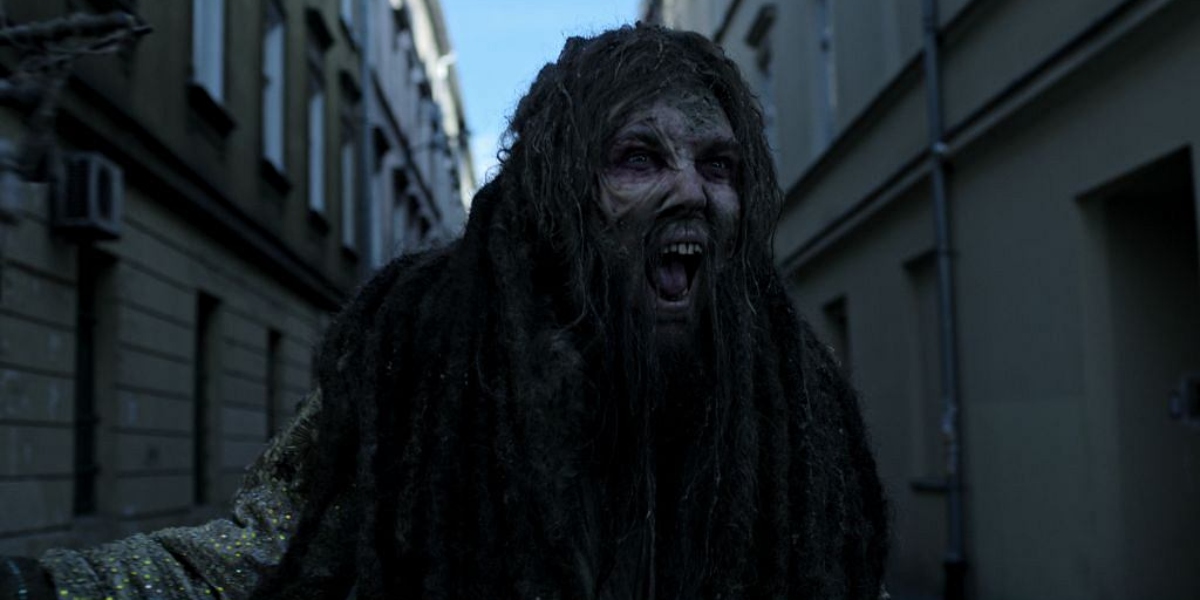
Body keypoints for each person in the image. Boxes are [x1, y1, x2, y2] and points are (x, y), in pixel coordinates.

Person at [2, 24, 888, 599]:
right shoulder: (432, 354)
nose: (691, 190)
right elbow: (258, 557)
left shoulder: (785, 389)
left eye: (719, 166)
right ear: (561, 196)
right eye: (639, 158)